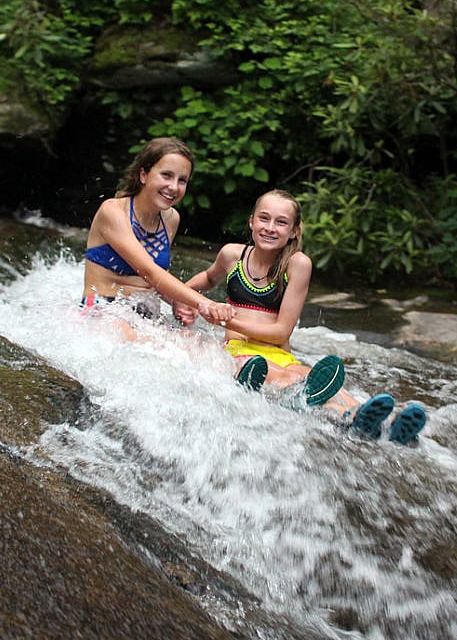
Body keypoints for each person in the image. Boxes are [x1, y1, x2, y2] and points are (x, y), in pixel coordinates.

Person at [174, 189, 426, 444]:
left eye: (281, 222)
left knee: (307, 375)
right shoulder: (231, 255)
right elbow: (207, 278)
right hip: (240, 354)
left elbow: (282, 332)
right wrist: (184, 298)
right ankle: (349, 419)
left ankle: (371, 417)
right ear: (251, 221)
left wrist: (226, 320)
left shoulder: (297, 264)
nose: (270, 228)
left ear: (294, 230)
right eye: (264, 219)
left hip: (280, 353)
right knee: (284, 376)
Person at [82, 137, 234, 330]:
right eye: (166, 175)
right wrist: (206, 303)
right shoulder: (112, 211)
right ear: (143, 175)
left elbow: (155, 280)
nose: (173, 187)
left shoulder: (171, 219)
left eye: (182, 180)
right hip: (103, 311)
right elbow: (149, 271)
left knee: (197, 345)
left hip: (145, 313)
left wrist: (177, 300)